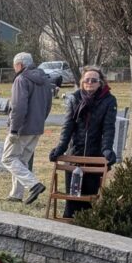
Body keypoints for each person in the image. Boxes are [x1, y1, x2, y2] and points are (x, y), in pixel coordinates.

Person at [49, 67, 117, 218]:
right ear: (82, 82)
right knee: (72, 200)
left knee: (89, 200)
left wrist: (106, 149)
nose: (90, 83)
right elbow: (68, 126)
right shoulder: (74, 98)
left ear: (100, 83)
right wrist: (60, 148)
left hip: (95, 156)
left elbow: (108, 129)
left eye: (94, 80)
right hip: (75, 155)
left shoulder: (109, 100)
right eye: (87, 80)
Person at [1, 52, 53, 204]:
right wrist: (39, 121)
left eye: (14, 65)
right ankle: (16, 194)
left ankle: (34, 184)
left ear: (20, 65)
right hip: (37, 127)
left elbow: (18, 107)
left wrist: (14, 130)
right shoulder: (45, 80)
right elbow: (48, 105)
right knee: (22, 160)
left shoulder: (21, 79)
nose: (14, 68)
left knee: (8, 158)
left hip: (21, 128)